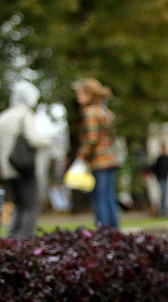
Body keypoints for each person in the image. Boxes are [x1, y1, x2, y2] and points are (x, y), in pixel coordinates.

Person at [0, 80, 50, 237]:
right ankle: (24, 240)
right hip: (25, 167)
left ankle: (12, 238)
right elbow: (33, 138)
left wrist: (3, 158)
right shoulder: (25, 115)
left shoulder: (3, 117)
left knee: (19, 205)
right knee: (31, 205)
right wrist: (48, 141)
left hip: (7, 168)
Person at [73, 77, 120, 228]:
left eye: (80, 93)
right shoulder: (105, 111)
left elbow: (91, 139)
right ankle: (114, 231)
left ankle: (103, 233)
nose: (78, 97)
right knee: (109, 197)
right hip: (111, 158)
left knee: (99, 198)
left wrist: (81, 156)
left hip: (99, 161)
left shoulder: (90, 112)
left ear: (89, 94)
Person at [153, 145, 168, 217]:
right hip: (161, 177)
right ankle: (163, 209)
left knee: (164, 194)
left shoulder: (167, 158)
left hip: (165, 177)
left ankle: (164, 209)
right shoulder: (160, 159)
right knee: (163, 193)